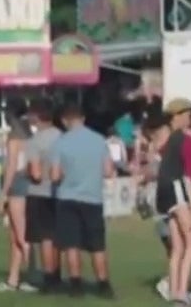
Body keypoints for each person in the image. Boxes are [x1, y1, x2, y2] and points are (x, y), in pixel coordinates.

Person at [50, 101, 116, 298]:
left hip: (68, 198)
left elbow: (54, 176)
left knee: (72, 244)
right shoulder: (99, 140)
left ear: (64, 121)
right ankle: (103, 284)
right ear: (83, 119)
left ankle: (76, 284)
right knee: (97, 245)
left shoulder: (61, 142)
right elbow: (108, 171)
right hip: (93, 198)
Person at [157, 98, 191, 304]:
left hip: (163, 192)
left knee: (177, 246)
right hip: (177, 190)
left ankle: (175, 290)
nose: (190, 117)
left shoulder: (169, 141)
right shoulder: (189, 141)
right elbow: (187, 177)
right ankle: (182, 292)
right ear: (179, 116)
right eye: (187, 113)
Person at [24, 98, 63, 293]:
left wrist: (27, 172)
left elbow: (36, 174)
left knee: (45, 237)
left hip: (40, 193)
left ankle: (48, 276)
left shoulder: (34, 142)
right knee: (56, 236)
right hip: (60, 192)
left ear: (36, 117)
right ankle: (57, 274)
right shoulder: (62, 137)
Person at [0, 98, 35, 292]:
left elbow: (11, 167)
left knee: (20, 236)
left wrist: (3, 193)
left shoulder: (15, 137)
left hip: (17, 187)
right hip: (25, 184)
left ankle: (35, 276)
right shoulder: (28, 134)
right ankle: (14, 279)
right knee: (15, 236)